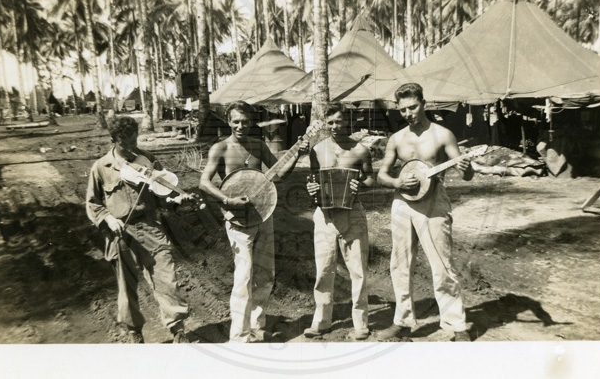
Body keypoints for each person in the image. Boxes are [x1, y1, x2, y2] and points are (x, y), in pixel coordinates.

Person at [199, 101, 309, 343]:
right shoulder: (220, 148)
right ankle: (239, 336)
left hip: (263, 216)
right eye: (236, 121)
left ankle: (257, 326)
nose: (241, 126)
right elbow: (204, 182)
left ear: (252, 122)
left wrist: (298, 154)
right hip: (238, 220)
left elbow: (279, 175)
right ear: (228, 122)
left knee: (265, 274)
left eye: (246, 121)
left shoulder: (258, 146)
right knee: (244, 276)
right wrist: (227, 199)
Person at [377, 83, 474, 342]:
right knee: (400, 264)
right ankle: (403, 322)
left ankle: (456, 324)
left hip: (434, 203)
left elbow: (466, 174)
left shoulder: (443, 134)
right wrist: (397, 182)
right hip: (402, 203)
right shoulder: (396, 138)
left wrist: (466, 167)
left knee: (442, 264)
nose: (408, 113)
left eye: (413, 107)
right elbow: (382, 174)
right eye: (403, 110)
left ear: (424, 103)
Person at [86, 116, 192, 344]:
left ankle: (178, 331)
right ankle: (135, 332)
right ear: (113, 139)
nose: (131, 148)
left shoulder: (148, 159)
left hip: (151, 227)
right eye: (125, 143)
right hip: (121, 232)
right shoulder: (101, 168)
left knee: (167, 279)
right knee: (127, 286)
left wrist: (176, 200)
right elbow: (92, 203)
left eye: (134, 141)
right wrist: (108, 218)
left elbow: (164, 194)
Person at [304, 103, 375, 340]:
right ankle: (321, 321)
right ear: (326, 123)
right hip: (325, 215)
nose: (335, 126)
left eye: (339, 121)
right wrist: (311, 187)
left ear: (347, 121)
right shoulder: (317, 150)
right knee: (324, 270)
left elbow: (370, 179)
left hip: (353, 213)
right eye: (331, 122)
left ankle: (361, 323)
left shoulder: (360, 150)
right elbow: (313, 179)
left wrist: (360, 184)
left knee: (358, 270)